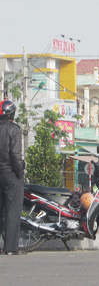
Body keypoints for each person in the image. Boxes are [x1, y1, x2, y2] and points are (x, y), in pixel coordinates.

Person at [0, 100, 26, 255]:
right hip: (10, 174)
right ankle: (10, 248)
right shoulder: (14, 129)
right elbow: (15, 155)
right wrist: (20, 174)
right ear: (12, 113)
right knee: (12, 212)